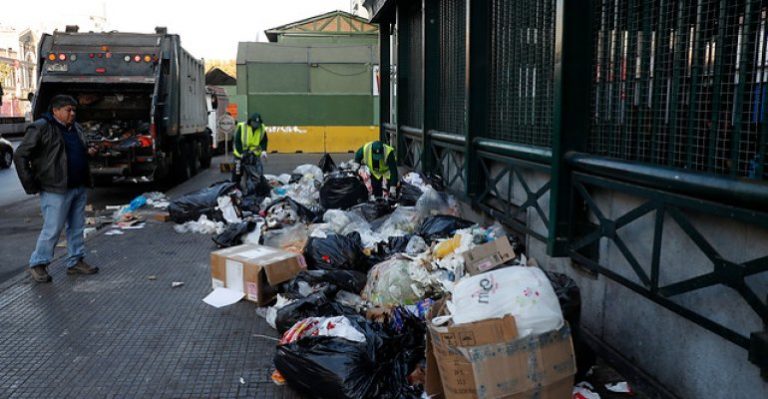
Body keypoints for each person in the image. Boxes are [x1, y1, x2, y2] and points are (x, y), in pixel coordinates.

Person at [14, 94, 100, 283]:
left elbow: (77, 150)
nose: (72, 114)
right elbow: (20, 155)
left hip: (78, 186)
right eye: (68, 110)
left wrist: (88, 151)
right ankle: (38, 264)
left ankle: (75, 261)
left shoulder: (75, 128)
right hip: (55, 188)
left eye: (74, 110)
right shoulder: (41, 127)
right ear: (55, 111)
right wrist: (31, 184)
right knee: (52, 229)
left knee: (77, 227)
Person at [232, 112, 268, 195]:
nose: (256, 125)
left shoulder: (261, 128)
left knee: (257, 173)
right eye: (254, 123)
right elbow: (237, 141)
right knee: (237, 173)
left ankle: (255, 190)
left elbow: (264, 140)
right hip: (240, 154)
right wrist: (241, 153)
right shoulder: (243, 127)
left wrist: (264, 151)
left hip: (254, 154)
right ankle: (235, 188)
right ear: (250, 121)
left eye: (257, 123)